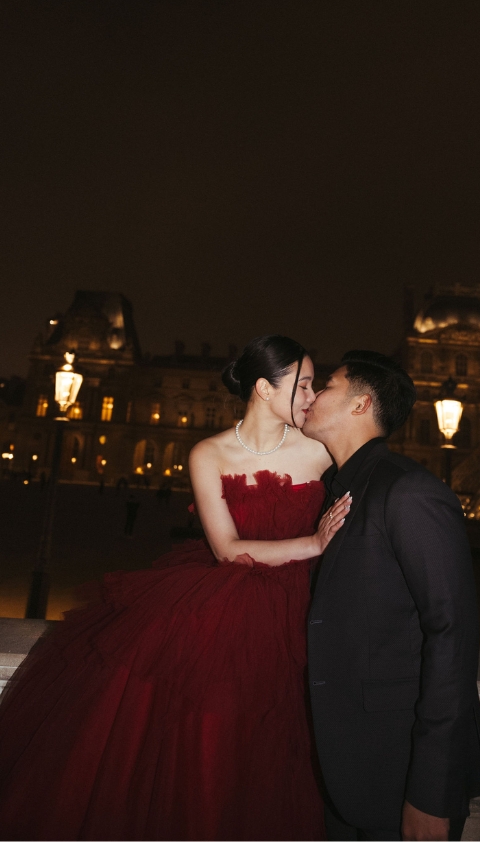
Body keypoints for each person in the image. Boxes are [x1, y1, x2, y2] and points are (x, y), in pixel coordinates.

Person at [0, 335, 345, 841]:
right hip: (230, 613)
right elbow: (228, 550)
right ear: (263, 389)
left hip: (302, 610)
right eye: (305, 384)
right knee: (215, 750)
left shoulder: (320, 448)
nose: (313, 397)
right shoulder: (208, 454)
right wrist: (315, 543)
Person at [303, 351, 480, 841]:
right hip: (346, 764)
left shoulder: (410, 492)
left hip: (399, 770)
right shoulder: (339, 491)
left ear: (361, 404)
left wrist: (431, 790)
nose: (310, 395)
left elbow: (453, 636)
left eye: (326, 384)